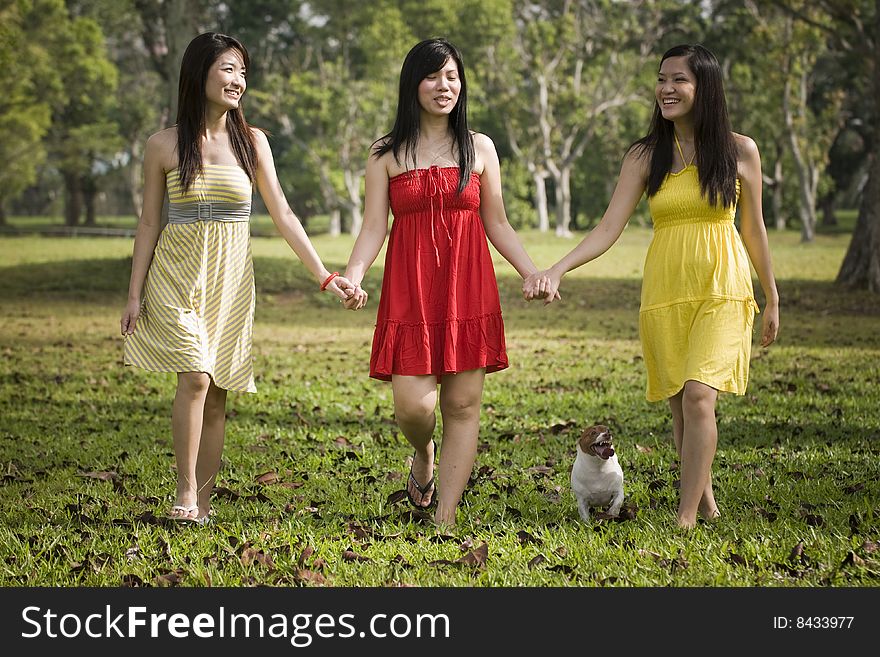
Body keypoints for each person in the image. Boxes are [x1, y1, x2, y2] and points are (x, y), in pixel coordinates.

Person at [523, 44, 780, 529]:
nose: (666, 88)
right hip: (665, 290)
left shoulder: (740, 150)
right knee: (682, 409)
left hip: (722, 285)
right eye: (662, 79)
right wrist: (556, 269)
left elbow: (755, 229)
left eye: (678, 79)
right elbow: (607, 229)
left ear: (704, 87)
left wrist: (771, 295)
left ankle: (685, 517)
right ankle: (703, 501)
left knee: (701, 397)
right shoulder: (646, 155)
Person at [120, 32, 354, 524]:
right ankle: (184, 496)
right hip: (177, 275)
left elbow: (284, 214)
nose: (238, 81)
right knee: (195, 377)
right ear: (199, 72)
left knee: (219, 391)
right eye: (228, 69)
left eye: (243, 72)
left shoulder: (253, 143)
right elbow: (148, 223)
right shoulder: (162, 146)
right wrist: (135, 293)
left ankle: (203, 503)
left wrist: (324, 277)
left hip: (231, 278)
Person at [342, 38, 552, 528]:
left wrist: (531, 271)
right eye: (433, 76)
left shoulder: (479, 148)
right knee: (413, 408)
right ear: (412, 83)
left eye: (452, 76)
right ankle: (424, 454)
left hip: (468, 285)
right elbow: (374, 226)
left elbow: (497, 222)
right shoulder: (386, 152)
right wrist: (352, 276)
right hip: (409, 290)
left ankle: (446, 517)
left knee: (462, 404)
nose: (444, 86)